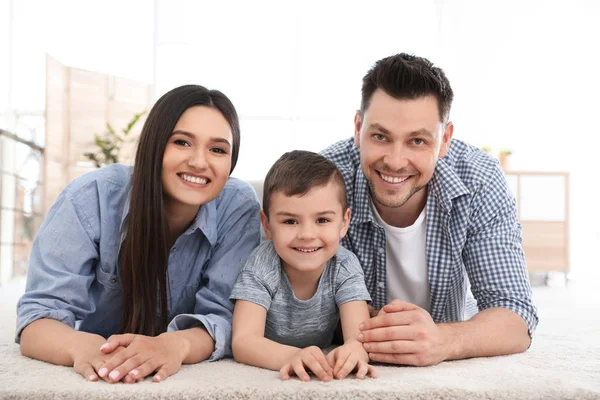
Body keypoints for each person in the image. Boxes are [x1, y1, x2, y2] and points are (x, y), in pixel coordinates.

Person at [16, 84, 261, 383]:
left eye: (218, 149)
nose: (199, 161)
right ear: (154, 145)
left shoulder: (237, 205)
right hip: (102, 338)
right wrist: (81, 345)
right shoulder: (90, 197)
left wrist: (176, 344)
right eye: (182, 142)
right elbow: (38, 317)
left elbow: (226, 316)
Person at [321, 53, 538, 366]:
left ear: (445, 139)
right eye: (380, 136)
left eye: (418, 141)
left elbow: (515, 315)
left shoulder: (480, 179)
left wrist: (444, 340)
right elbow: (289, 301)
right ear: (358, 127)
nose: (395, 161)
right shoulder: (325, 179)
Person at [230, 151, 376, 381]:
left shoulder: (345, 265)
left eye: (322, 220)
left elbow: (359, 337)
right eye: (290, 221)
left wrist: (354, 351)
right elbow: (244, 342)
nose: (307, 235)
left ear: (344, 223)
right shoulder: (261, 265)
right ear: (267, 225)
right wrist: (294, 356)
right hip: (276, 350)